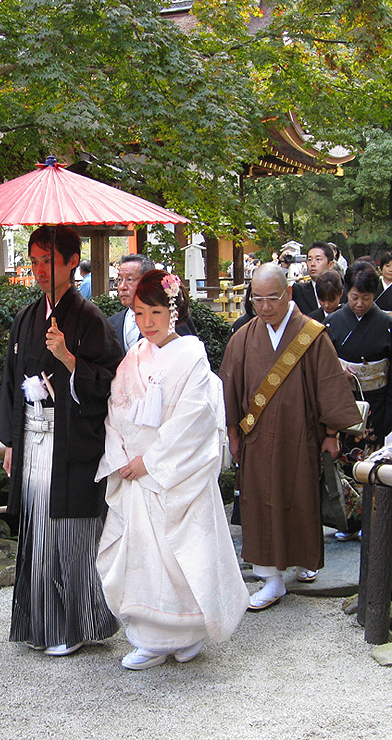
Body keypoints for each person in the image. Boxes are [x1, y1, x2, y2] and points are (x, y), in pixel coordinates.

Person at [96, 269, 249, 669]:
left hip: (171, 473)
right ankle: (150, 638)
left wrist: (149, 461)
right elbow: (116, 409)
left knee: (180, 556)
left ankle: (187, 635)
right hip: (134, 471)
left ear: (173, 311)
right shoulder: (135, 356)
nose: (147, 322)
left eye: (156, 313)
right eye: (140, 313)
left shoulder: (193, 358)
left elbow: (194, 422)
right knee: (144, 557)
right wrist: (124, 457)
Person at [0, 224, 122, 656]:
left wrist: (69, 359)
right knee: (39, 533)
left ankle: (76, 625)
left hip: (72, 445)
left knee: (72, 535)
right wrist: (12, 441)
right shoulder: (27, 317)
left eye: (48, 261)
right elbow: (11, 383)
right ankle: (42, 625)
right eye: (34, 260)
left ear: (71, 262)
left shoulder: (90, 319)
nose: (40, 269)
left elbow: (112, 384)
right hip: (33, 439)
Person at [220, 264, 360, 610]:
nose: (265, 307)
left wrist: (331, 433)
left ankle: (304, 558)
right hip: (256, 437)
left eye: (272, 298)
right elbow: (229, 387)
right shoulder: (243, 337)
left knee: (300, 497)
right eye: (258, 299)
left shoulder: (310, 335)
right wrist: (233, 431)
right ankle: (271, 578)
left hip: (300, 435)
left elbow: (329, 384)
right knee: (258, 504)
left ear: (289, 295)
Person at [325, 261, 392, 539]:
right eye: (354, 297)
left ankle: (373, 521)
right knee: (344, 463)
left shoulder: (387, 324)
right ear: (345, 293)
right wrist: (335, 367)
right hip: (343, 403)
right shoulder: (332, 323)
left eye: (366, 298)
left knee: (372, 463)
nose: (360, 304)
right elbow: (322, 365)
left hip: (376, 403)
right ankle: (347, 522)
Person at [109, 254, 196, 356]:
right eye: (119, 280)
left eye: (129, 279)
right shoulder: (112, 322)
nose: (122, 287)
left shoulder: (170, 316)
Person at [292, 241, 336, 315]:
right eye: (309, 260)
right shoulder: (299, 291)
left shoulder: (341, 289)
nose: (312, 264)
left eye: (318, 259)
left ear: (331, 264)